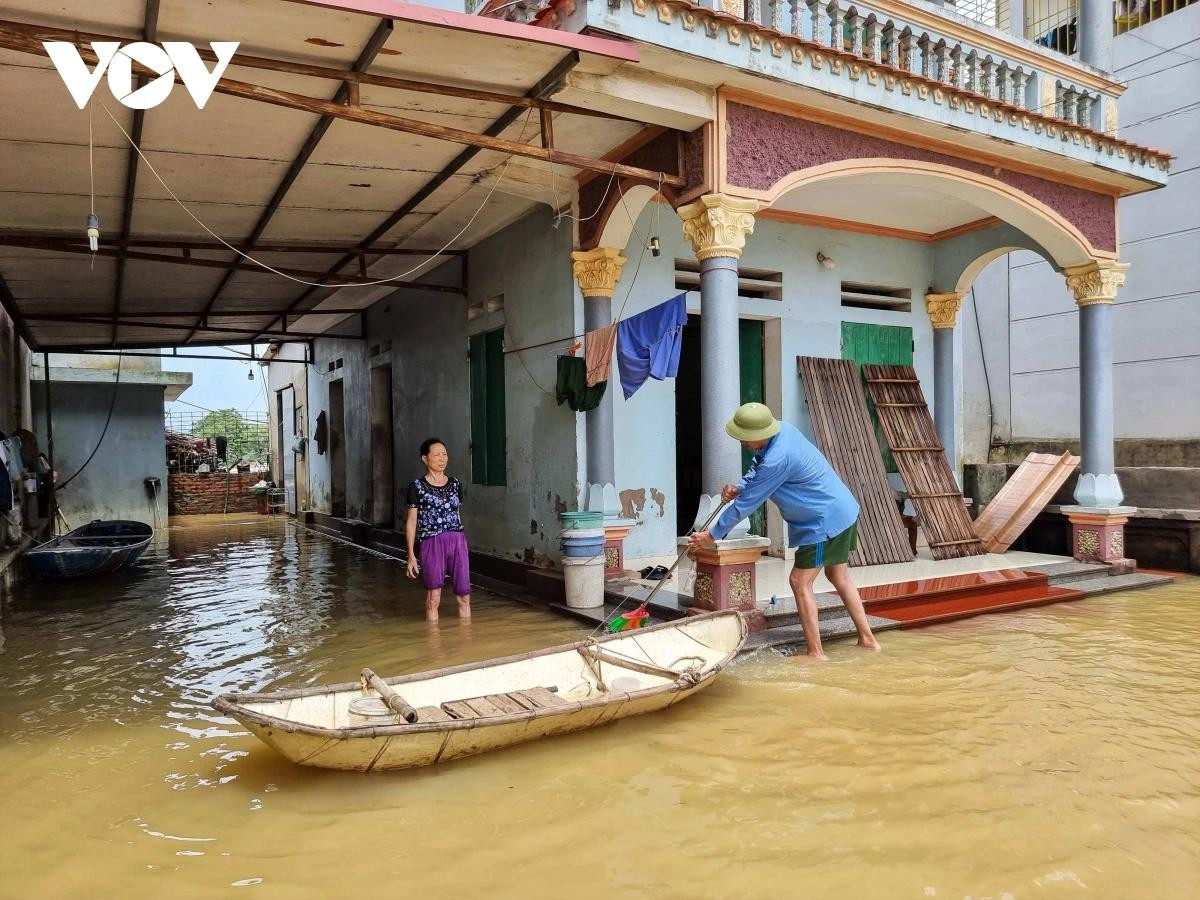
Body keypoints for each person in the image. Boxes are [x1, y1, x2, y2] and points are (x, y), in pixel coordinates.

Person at [687, 403, 880, 660]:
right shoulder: (783, 432)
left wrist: (711, 536)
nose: (742, 441)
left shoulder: (778, 459)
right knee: (839, 576)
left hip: (823, 521)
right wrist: (740, 486)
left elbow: (747, 505)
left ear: (761, 434)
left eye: (745, 436)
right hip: (841, 509)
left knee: (800, 581)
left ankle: (815, 652)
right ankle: (868, 640)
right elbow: (758, 468)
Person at [405, 438, 471, 621]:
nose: (442, 458)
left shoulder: (456, 484)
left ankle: (466, 642)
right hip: (431, 542)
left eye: (445, 454)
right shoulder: (416, 487)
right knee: (434, 598)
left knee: (464, 597)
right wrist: (411, 555)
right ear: (425, 459)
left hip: (457, 541)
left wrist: (460, 541)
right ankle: (433, 644)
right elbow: (411, 522)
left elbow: (457, 513)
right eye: (437, 455)